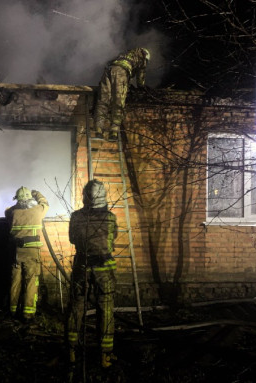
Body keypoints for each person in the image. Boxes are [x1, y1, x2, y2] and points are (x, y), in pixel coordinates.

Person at [67, 180, 118, 368]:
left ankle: (71, 351)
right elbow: (111, 241)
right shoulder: (111, 218)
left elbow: (72, 239)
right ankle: (105, 356)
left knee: (76, 307)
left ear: (85, 196)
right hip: (105, 270)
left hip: (81, 267)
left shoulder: (76, 217)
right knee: (105, 310)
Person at [5, 187, 49, 321]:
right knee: (31, 281)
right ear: (30, 198)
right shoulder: (38, 211)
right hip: (32, 252)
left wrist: (19, 203)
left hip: (16, 252)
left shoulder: (12, 212)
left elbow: (9, 210)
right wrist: (36, 194)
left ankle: (12, 310)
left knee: (15, 281)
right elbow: (45, 203)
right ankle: (28, 314)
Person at [93, 47, 150, 140]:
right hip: (121, 73)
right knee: (118, 102)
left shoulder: (124, 54)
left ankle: (98, 130)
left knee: (103, 100)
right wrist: (141, 87)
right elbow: (140, 78)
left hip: (108, 71)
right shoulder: (142, 58)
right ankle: (114, 132)